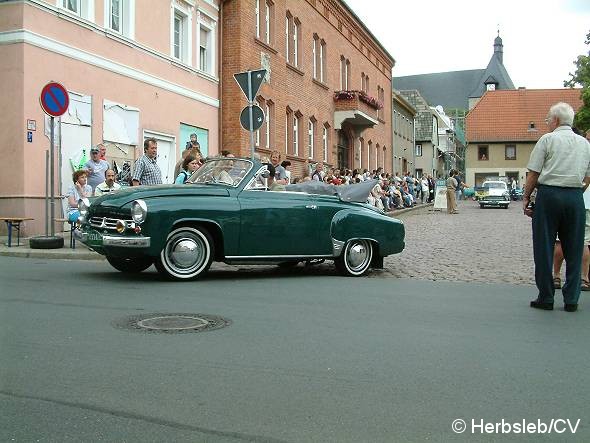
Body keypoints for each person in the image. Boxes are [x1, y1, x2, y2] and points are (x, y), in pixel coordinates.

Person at [524, 102, 590, 312]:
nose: (547, 123)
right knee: (575, 246)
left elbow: (533, 172)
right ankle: (571, 298)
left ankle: (546, 296)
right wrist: (577, 191)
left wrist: (526, 197)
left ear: (555, 120)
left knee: (544, 246)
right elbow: (588, 176)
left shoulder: (548, 139)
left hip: (549, 194)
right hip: (574, 195)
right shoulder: (584, 144)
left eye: (548, 120)